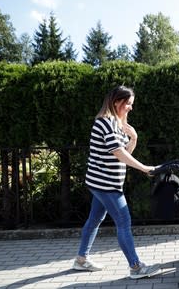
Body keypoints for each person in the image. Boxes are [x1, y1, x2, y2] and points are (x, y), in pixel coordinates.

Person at [72, 85, 160, 279]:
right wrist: (144, 168)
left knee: (95, 219)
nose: (130, 107)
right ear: (117, 102)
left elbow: (123, 154)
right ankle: (136, 267)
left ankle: (81, 260)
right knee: (123, 222)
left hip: (102, 182)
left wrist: (134, 138)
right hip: (105, 184)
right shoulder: (106, 122)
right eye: (128, 104)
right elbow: (118, 153)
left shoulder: (115, 124)